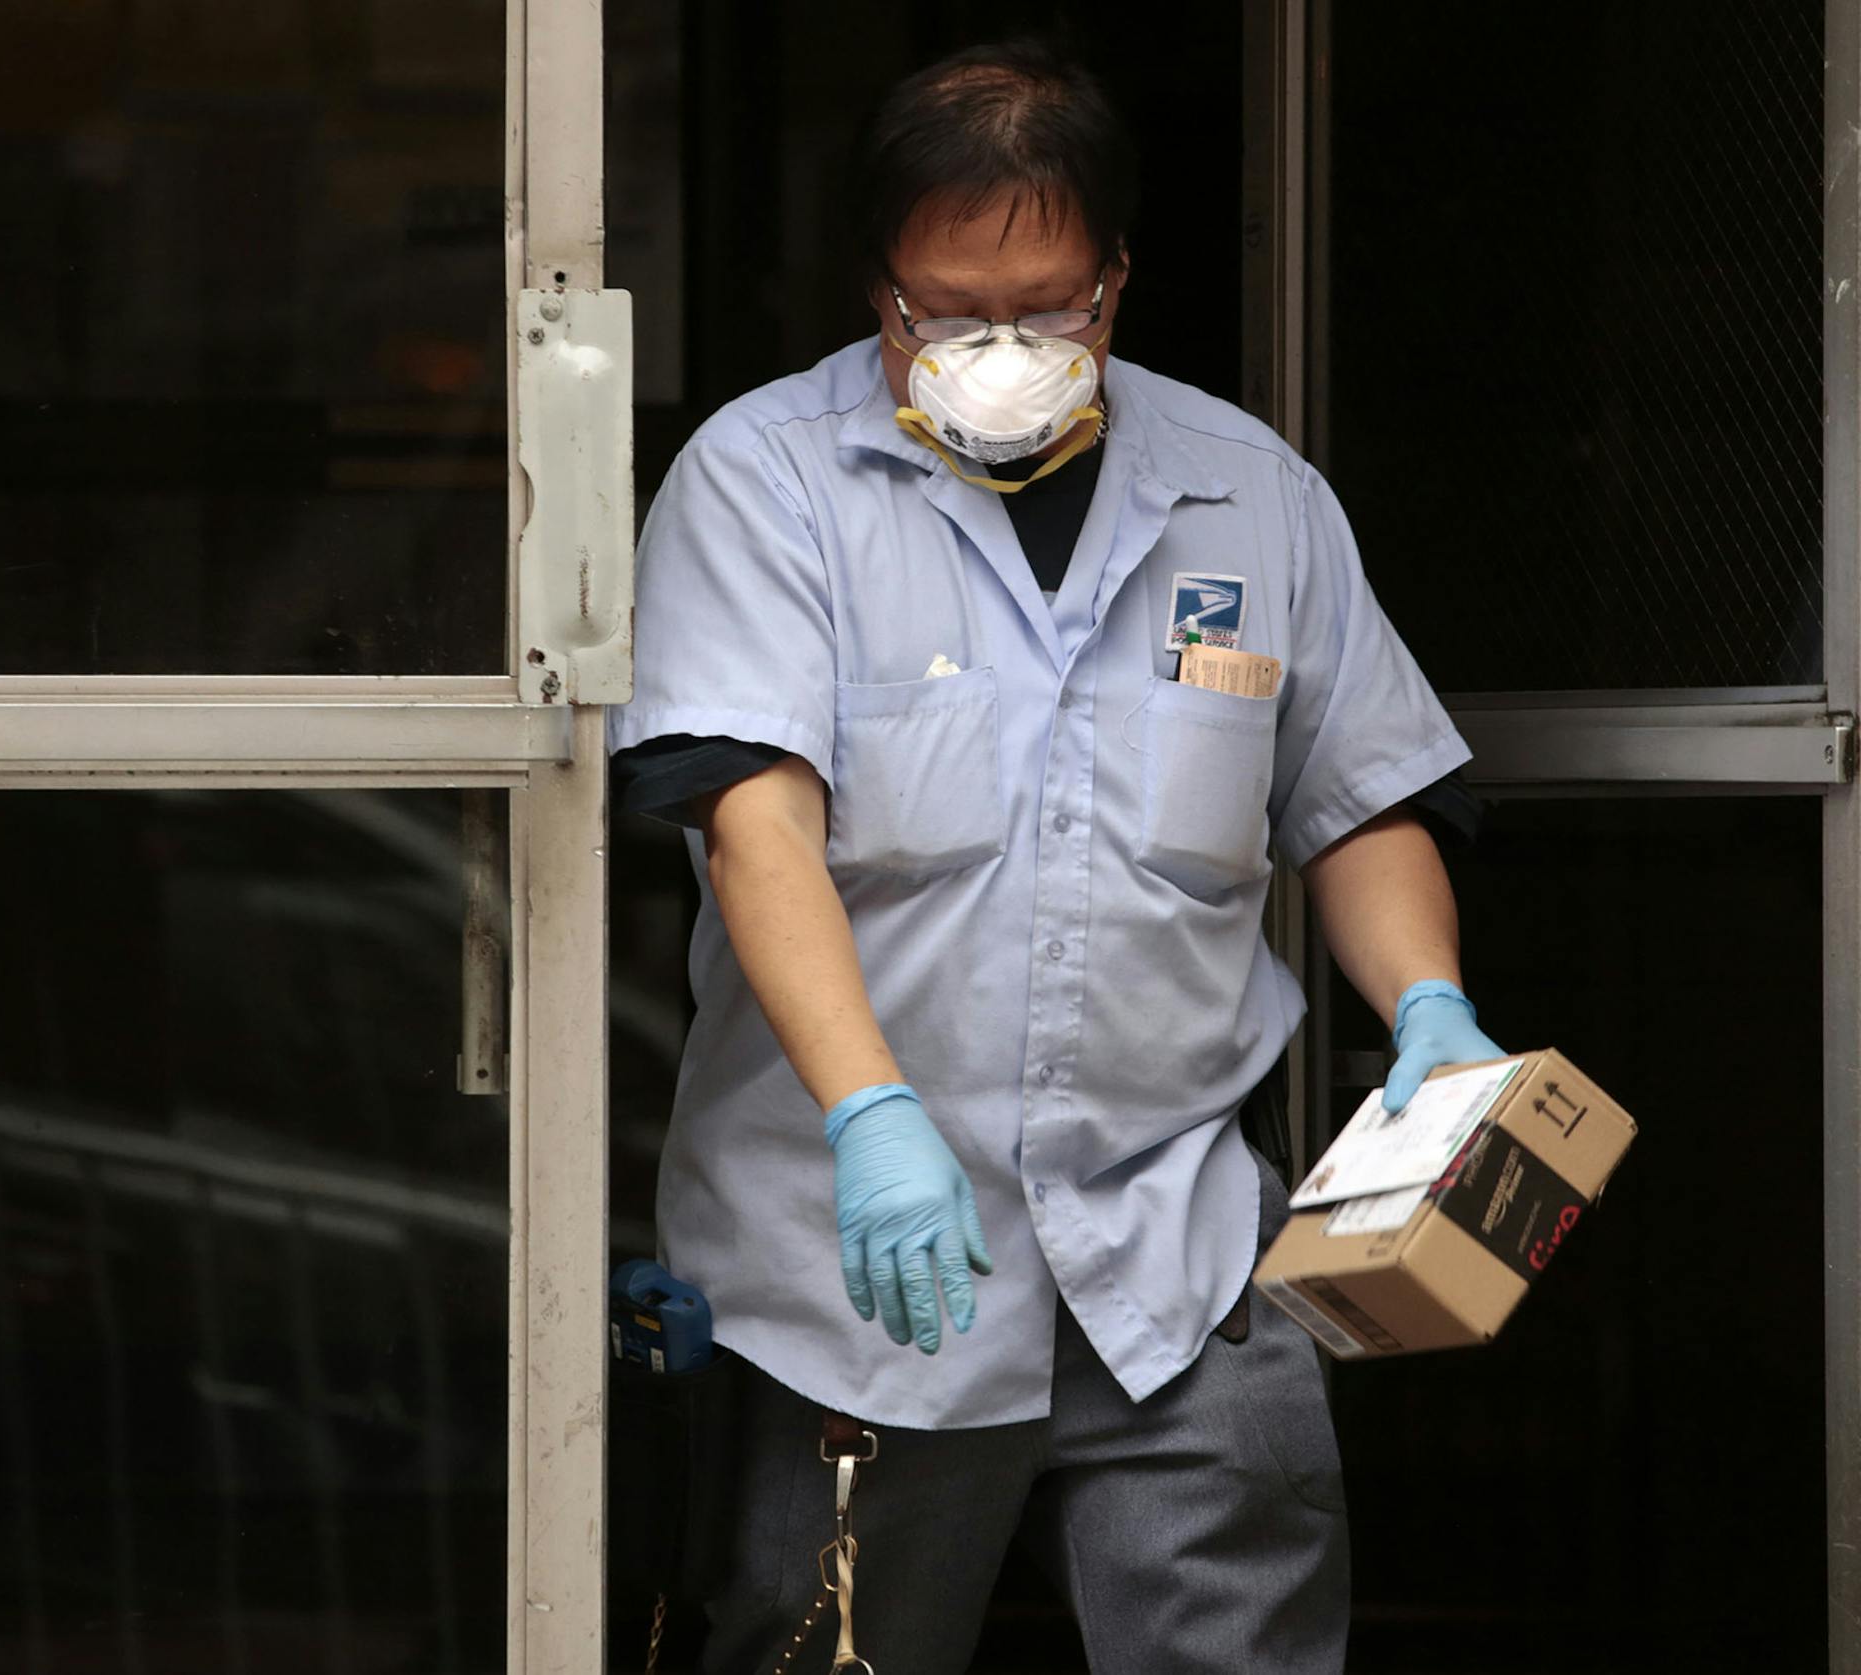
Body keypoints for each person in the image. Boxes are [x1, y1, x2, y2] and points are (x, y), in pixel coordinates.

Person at [608, 36, 1503, 1675]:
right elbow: (756, 826)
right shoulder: (766, 484)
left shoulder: (1249, 495)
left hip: (1174, 1253)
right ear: (878, 287)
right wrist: (872, 1115)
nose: (1004, 348)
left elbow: (1358, 796)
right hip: (855, 1270)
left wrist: (1428, 1004)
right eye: (949, 313)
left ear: (1120, 279)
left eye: (1055, 303)